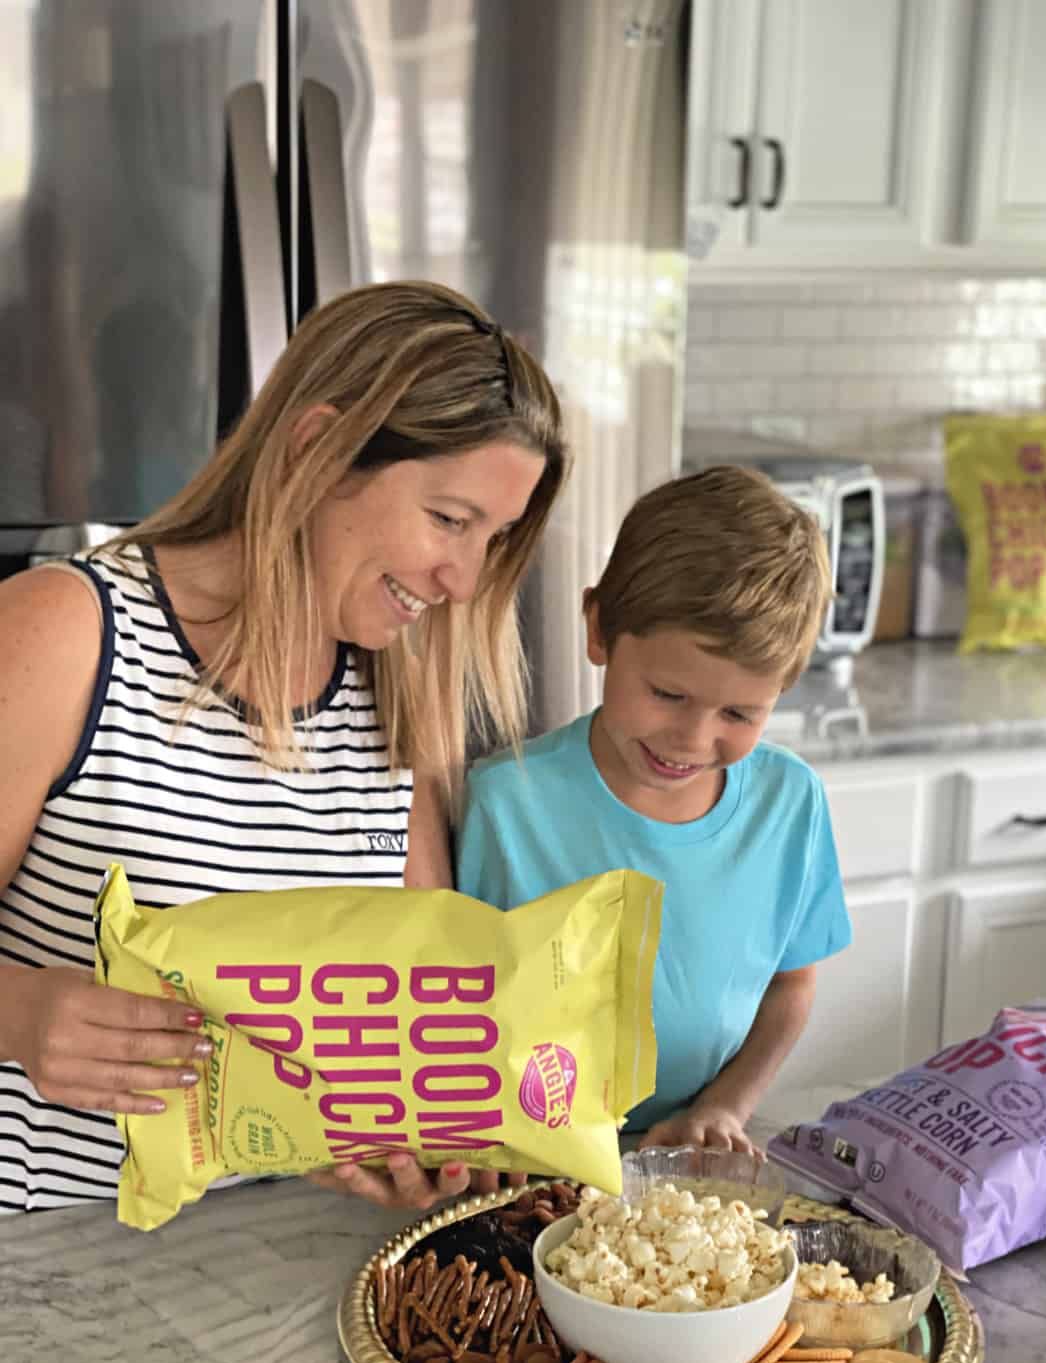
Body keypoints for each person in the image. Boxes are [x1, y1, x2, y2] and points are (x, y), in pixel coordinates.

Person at [0, 280, 568, 1216]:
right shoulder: (70, 634)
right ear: (317, 448)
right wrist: (18, 1013)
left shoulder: (394, 699)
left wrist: (428, 1137)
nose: (463, 579)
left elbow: (411, 1036)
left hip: (271, 1270)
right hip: (45, 1262)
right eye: (449, 519)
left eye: (493, 538)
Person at [456, 465, 851, 1152]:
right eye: (667, 694)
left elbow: (792, 985)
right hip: (530, 1159)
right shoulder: (503, 803)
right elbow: (461, 1017)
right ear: (600, 630)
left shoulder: (791, 805)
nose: (692, 739)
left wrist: (726, 1106)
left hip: (690, 1155)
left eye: (738, 712)